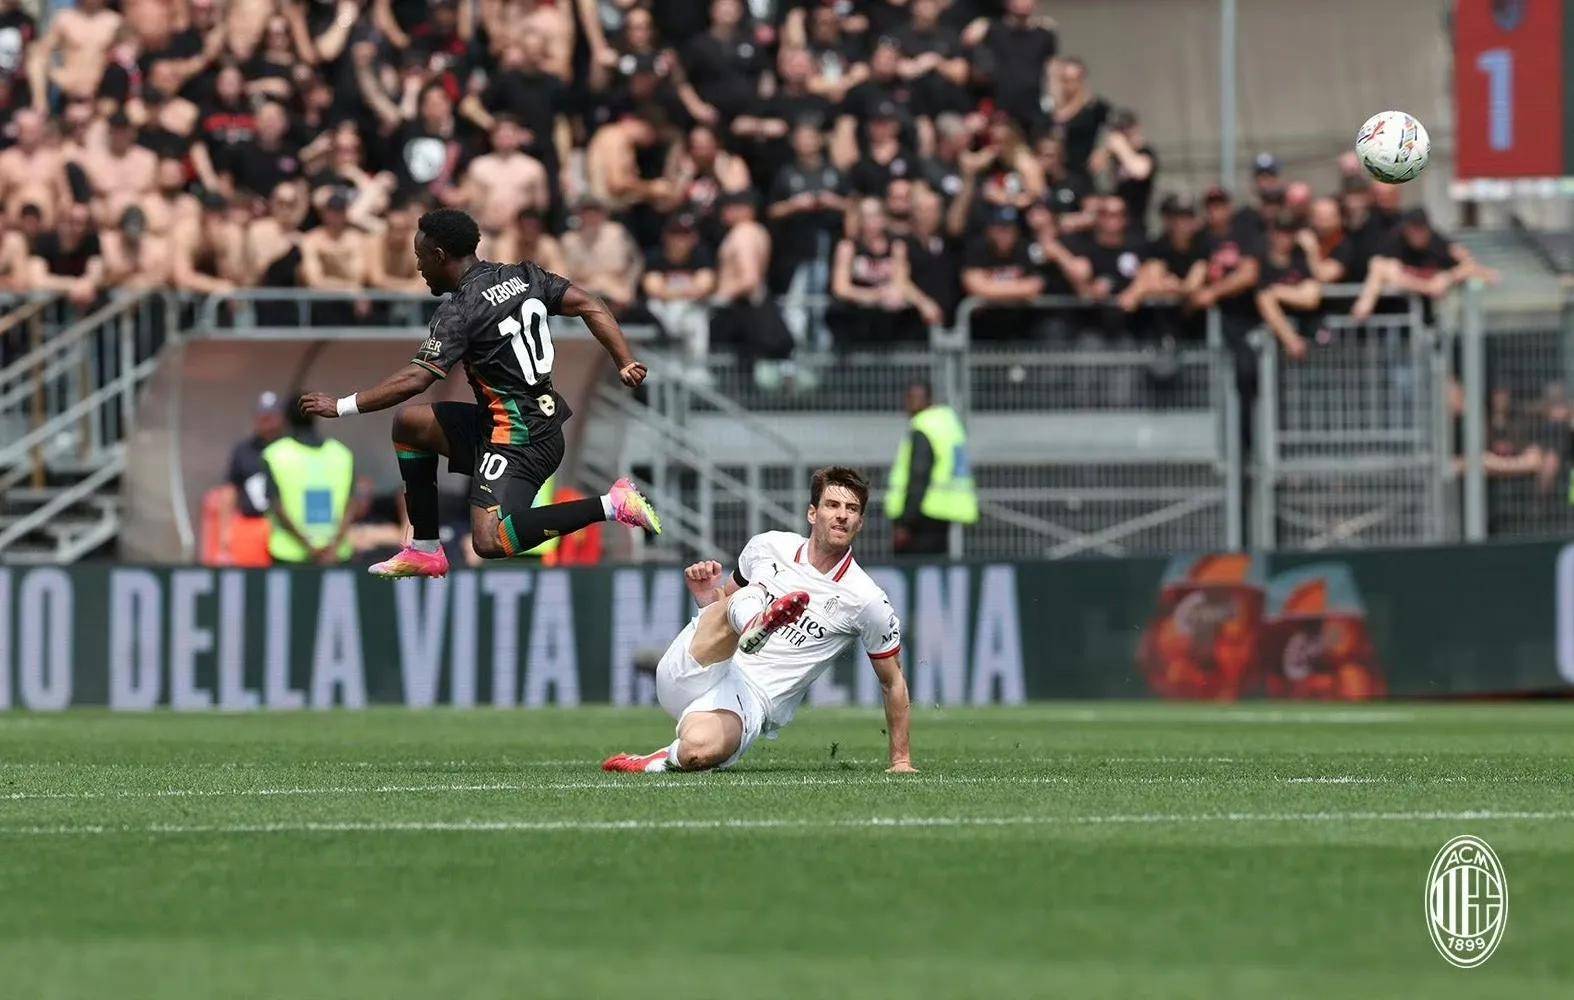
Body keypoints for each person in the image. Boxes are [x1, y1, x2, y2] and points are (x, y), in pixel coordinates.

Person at [297, 208, 662, 577]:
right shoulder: (525, 276)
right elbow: (589, 303)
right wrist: (624, 360)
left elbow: (417, 379)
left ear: (440, 256)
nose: (419, 268)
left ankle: (613, 504)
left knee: (488, 541)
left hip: (521, 440)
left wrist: (342, 405)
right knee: (410, 424)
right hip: (508, 422)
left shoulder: (460, 311)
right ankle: (425, 548)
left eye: (421, 258)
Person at [602, 466, 915, 775]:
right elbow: (724, 605)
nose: (842, 515)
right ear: (812, 513)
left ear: (860, 522)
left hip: (749, 698)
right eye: (832, 505)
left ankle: (656, 760)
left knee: (695, 752)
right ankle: (757, 623)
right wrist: (707, 596)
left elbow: (893, 680)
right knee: (751, 593)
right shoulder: (768, 546)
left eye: (852, 509)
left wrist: (901, 761)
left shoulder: (866, 599)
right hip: (700, 666)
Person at [261, 405, 363, 566]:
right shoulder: (341, 453)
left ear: (286, 419)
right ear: (316, 416)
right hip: (336, 556)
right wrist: (333, 548)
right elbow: (352, 505)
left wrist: (310, 547)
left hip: (291, 556)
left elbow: (276, 506)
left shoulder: (274, 454)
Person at [886, 383, 978, 555]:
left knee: (917, 567)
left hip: (922, 516)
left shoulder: (924, 426)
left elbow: (919, 475)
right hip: (942, 510)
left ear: (928, 400)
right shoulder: (947, 423)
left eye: (915, 398)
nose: (910, 403)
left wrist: (906, 523)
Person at [217, 391, 288, 568]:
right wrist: (225, 531)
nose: (268, 422)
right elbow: (230, 490)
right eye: (263, 417)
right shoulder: (244, 450)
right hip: (252, 525)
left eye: (272, 417)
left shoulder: (291, 448)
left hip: (285, 526)